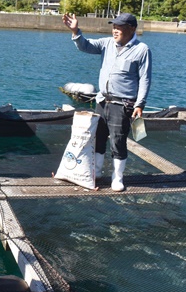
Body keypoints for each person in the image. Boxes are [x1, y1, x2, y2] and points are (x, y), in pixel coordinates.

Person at [62, 13, 152, 191]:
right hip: (102, 101)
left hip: (123, 104)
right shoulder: (107, 43)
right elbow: (85, 46)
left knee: (118, 141)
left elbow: (145, 79)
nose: (115, 30)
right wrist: (76, 31)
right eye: (114, 27)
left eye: (119, 27)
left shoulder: (142, 50)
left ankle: (117, 178)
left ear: (132, 29)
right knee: (99, 138)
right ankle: (97, 171)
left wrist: (140, 104)